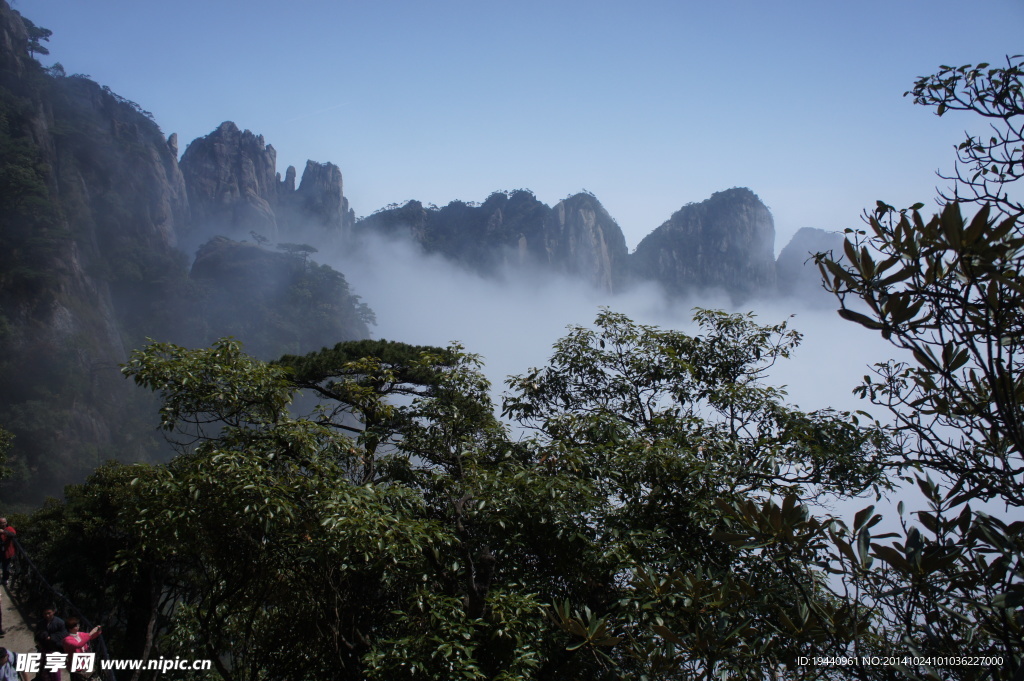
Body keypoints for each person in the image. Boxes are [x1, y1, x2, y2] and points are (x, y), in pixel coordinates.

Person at [0, 519, 15, 586]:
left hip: (7, 552)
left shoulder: (9, 528)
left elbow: (13, 534)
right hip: (1, 551)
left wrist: (4, 531)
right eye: (1, 523)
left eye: (4, 522)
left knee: (6, 567)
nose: (3, 524)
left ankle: (5, 579)